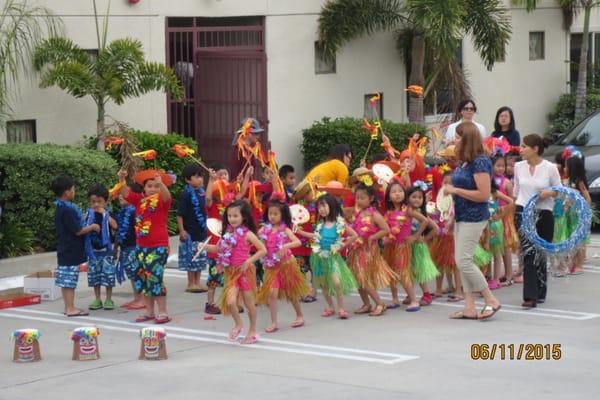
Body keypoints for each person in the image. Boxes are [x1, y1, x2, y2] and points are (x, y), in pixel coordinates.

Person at [444, 122, 502, 320]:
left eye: (458, 137)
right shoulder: (464, 162)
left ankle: (490, 299)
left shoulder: (480, 162)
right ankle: (469, 307)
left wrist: (456, 190)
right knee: (463, 262)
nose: (455, 140)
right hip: (461, 216)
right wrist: (451, 216)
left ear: (467, 139)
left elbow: (483, 194)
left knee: (464, 260)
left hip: (474, 216)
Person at [205, 200, 267, 345]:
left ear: (243, 217)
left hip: (245, 271)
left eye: (235, 216)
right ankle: (238, 324)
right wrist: (203, 246)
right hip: (231, 272)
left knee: (248, 303)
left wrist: (249, 261)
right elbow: (217, 249)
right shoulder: (227, 234)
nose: (232, 219)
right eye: (229, 216)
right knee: (230, 301)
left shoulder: (248, 234)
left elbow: (263, 250)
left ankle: (252, 331)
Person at [118, 169, 173, 324]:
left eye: (156, 186)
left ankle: (163, 312)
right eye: (150, 186)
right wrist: (122, 178)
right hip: (141, 247)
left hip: (158, 246)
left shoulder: (162, 202)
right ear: (144, 188)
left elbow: (167, 196)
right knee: (142, 280)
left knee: (155, 279)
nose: (153, 189)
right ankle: (149, 312)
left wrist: (160, 183)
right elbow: (125, 193)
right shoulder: (139, 201)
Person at [513, 134, 561, 308]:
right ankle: (529, 296)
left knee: (540, 253)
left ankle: (540, 291)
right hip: (523, 211)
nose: (521, 149)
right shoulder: (518, 166)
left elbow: (559, 189)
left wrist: (548, 193)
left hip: (544, 213)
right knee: (529, 252)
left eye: (524, 146)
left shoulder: (550, 168)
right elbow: (516, 192)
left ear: (535, 149)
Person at [297, 194, 358, 319]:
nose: (321, 209)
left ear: (332, 206)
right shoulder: (320, 225)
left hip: (332, 257)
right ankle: (330, 306)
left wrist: (341, 246)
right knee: (323, 284)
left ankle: (341, 308)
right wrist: (299, 231)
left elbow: (354, 236)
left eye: (324, 206)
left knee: (336, 282)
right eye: (319, 207)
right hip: (319, 256)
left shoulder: (339, 223)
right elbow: (314, 236)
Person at [257, 197, 310, 332]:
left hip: (286, 265)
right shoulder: (264, 231)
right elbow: (260, 245)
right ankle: (274, 322)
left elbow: (297, 242)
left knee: (292, 293)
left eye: (275, 214)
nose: (272, 217)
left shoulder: (285, 230)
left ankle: (299, 315)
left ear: (282, 215)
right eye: (270, 213)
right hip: (271, 267)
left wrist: (286, 245)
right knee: (272, 294)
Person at [347, 183, 396, 317]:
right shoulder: (358, 213)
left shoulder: (375, 214)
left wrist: (373, 237)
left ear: (371, 198)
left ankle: (380, 303)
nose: (359, 200)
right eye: (357, 198)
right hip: (356, 250)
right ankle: (366, 304)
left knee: (364, 279)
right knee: (357, 279)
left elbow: (386, 229)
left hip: (367, 251)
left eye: (362, 198)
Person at [51, 175, 98, 317]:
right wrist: (93, 226)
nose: (74, 191)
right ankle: (70, 308)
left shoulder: (60, 207)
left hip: (64, 248)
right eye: (73, 189)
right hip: (70, 249)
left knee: (65, 279)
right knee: (70, 280)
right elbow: (78, 230)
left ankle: (68, 307)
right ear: (67, 192)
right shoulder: (68, 210)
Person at [382, 180, 426, 311]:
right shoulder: (388, 212)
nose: (397, 194)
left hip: (402, 247)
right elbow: (385, 228)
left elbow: (425, 221)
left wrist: (415, 236)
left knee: (402, 273)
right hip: (390, 246)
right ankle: (395, 299)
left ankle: (414, 300)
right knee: (391, 273)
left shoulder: (408, 210)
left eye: (400, 191)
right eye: (394, 192)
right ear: (389, 196)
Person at [177, 163, 212, 293]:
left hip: (201, 231)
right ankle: (191, 283)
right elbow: (180, 214)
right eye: (196, 177)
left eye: (201, 176)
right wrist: (181, 230)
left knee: (199, 257)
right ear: (187, 180)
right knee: (191, 257)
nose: (200, 179)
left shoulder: (202, 193)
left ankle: (197, 282)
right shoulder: (185, 194)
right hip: (189, 232)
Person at [85, 184, 118, 311]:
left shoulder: (108, 214)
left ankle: (109, 298)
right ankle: (97, 298)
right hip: (93, 251)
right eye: (93, 202)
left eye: (99, 201)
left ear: (105, 202)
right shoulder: (88, 214)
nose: (96, 204)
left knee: (108, 275)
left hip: (107, 251)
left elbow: (115, 226)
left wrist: (105, 215)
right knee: (95, 276)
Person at [405, 186, 440, 306]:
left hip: (416, 246)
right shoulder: (411, 211)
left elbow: (436, 229)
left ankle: (426, 294)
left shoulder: (417, 213)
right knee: (410, 270)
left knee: (418, 271)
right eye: (413, 197)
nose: (417, 199)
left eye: (420, 197)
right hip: (409, 246)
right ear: (407, 198)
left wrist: (421, 238)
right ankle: (411, 294)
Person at [115, 194, 144, 310]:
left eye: (124, 196)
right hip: (125, 247)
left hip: (134, 247)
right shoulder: (122, 211)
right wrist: (116, 247)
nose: (120, 197)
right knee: (132, 274)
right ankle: (137, 298)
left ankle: (142, 299)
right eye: (120, 196)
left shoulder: (134, 211)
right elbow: (119, 231)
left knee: (137, 273)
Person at [564, 154, 592, 275]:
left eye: (566, 166)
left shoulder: (578, 182)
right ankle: (573, 263)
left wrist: (583, 212)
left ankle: (579, 264)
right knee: (573, 240)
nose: (564, 168)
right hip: (570, 215)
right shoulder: (568, 181)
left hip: (578, 215)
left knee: (580, 241)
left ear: (572, 168)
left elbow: (588, 198)